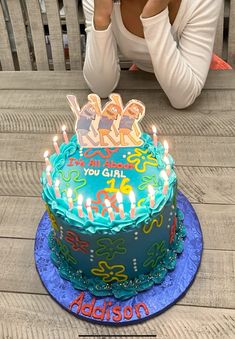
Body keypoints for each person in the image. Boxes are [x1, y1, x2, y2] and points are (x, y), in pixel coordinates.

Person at [82, 0, 229, 109]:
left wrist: (154, 14)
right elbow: (101, 88)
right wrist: (101, 17)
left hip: (196, 74)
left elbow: (183, 98)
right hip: (141, 78)